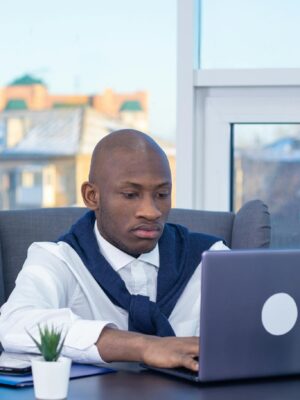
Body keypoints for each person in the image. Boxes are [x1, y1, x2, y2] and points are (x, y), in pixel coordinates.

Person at [0, 129, 227, 372]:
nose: (152, 212)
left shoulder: (210, 258)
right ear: (92, 196)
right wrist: (144, 346)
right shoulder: (59, 260)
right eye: (131, 195)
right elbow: (15, 324)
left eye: (162, 194)